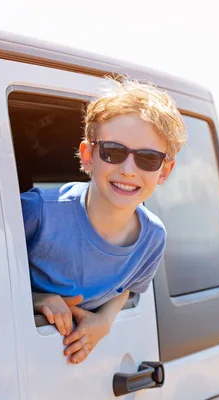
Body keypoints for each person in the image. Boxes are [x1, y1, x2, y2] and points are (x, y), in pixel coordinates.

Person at [21, 77, 187, 364]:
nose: (128, 170)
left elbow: (128, 288)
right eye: (113, 152)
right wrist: (37, 299)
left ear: (164, 171)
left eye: (147, 159)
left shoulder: (152, 238)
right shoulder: (37, 212)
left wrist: (105, 322)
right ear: (88, 156)